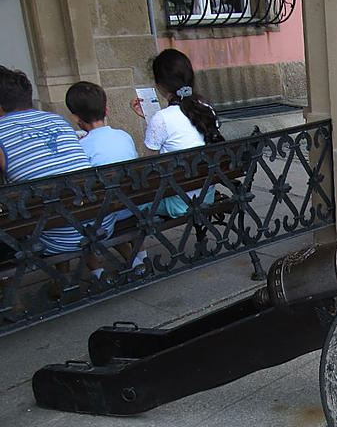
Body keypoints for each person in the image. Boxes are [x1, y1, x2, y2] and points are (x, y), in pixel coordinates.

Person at [0, 66, 114, 280]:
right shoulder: (57, 120)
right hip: (100, 223)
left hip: (56, 236)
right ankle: (63, 281)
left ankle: (13, 298)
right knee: (56, 200)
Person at [65, 80, 148, 273]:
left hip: (106, 215)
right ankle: (140, 258)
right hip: (134, 207)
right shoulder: (124, 136)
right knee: (115, 201)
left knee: (84, 214)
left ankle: (98, 272)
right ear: (107, 110)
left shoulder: (80, 148)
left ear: (76, 118)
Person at [130, 48, 224, 218]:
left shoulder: (162, 119)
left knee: (128, 201)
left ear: (159, 85)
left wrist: (152, 121)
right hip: (206, 196)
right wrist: (151, 119)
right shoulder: (206, 109)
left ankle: (138, 246)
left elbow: (146, 167)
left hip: (179, 203)